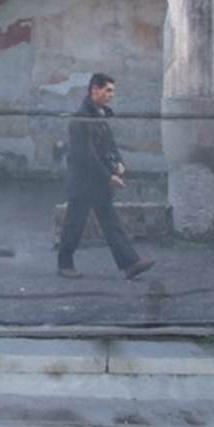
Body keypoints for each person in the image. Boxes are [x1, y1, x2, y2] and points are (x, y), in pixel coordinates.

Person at [58, 73, 155, 280]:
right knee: (74, 224)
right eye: (108, 90)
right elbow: (86, 155)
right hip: (82, 181)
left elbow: (109, 145)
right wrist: (108, 177)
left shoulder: (100, 115)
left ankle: (130, 264)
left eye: (113, 91)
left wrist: (118, 163)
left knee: (110, 222)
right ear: (95, 89)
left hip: (97, 180)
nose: (111, 95)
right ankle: (64, 264)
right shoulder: (80, 119)